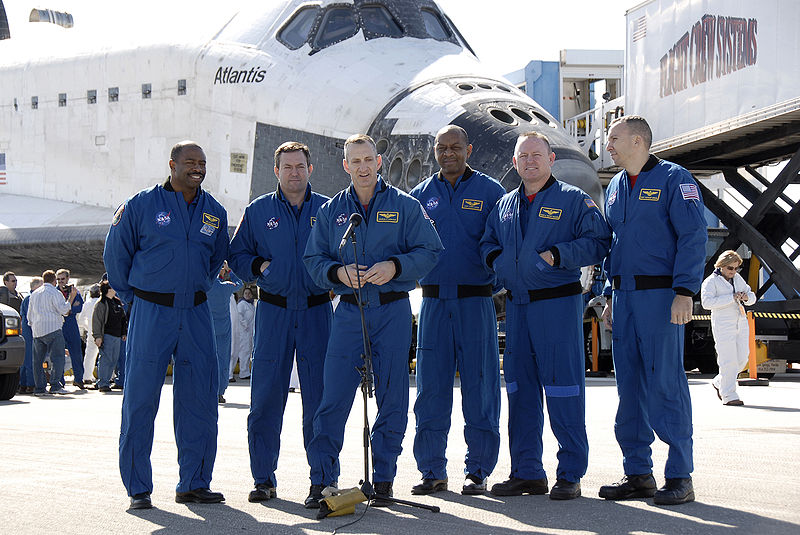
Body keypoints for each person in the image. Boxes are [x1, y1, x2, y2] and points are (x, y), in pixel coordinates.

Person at [303, 134, 443, 507]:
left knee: (392, 397)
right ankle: (322, 481)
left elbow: (431, 249)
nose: (363, 167)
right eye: (355, 161)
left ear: (378, 162)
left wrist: (396, 266)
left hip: (392, 310)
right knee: (333, 398)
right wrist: (337, 273)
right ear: (345, 165)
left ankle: (383, 479)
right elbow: (313, 259)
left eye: (368, 160)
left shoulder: (405, 206)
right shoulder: (332, 212)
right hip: (349, 312)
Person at [480, 132, 611, 500]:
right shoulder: (505, 205)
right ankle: (527, 472)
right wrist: (497, 261)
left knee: (563, 388)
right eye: (523, 156)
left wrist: (558, 255)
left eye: (536, 155)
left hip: (557, 306)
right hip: (518, 308)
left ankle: (570, 473)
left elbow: (599, 241)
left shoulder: (573, 199)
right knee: (520, 391)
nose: (530, 161)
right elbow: (488, 243)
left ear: (551, 159)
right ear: (514, 162)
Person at [103, 140, 229, 510]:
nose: (197, 168)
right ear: (172, 164)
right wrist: (134, 297)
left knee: (200, 400)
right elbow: (116, 254)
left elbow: (216, 258)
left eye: (202, 162)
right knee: (141, 400)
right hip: (151, 311)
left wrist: (196, 285)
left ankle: (194, 483)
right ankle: (138, 488)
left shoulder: (214, 211)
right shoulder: (140, 205)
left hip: (196, 312)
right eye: (190, 161)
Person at [599, 115, 707, 506]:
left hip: (661, 297)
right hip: (624, 298)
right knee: (629, 388)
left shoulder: (675, 179)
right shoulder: (615, 186)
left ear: (638, 141)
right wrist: (609, 295)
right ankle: (638, 474)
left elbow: (693, 236)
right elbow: (614, 244)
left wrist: (685, 291)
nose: (608, 145)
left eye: (614, 138)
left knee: (665, 384)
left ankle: (679, 475)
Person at [229, 141, 333, 504]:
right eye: (287, 166)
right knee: (265, 399)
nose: (294, 172)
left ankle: (323, 480)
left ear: (310, 169)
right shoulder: (258, 211)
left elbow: (346, 251)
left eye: (300, 166)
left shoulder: (329, 209)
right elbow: (237, 254)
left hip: (318, 312)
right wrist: (260, 267)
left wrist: (332, 277)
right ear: (276, 171)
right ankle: (263, 479)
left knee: (320, 400)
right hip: (274, 312)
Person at [408, 125, 505, 496]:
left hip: (475, 302)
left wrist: (495, 284)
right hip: (433, 303)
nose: (448, 153)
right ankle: (432, 470)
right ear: (434, 150)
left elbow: (503, 244)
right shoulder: (419, 196)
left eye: (455, 147)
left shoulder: (491, 193)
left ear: (469, 149)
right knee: (430, 390)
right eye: (441, 147)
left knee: (481, 388)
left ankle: (477, 470)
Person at [701, 250, 756, 406]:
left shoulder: (738, 279)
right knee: (728, 360)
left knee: (742, 358)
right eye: (730, 268)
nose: (733, 271)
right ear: (721, 266)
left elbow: (752, 296)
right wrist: (731, 298)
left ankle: (720, 381)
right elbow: (707, 303)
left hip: (741, 322)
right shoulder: (710, 282)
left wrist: (746, 297)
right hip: (723, 324)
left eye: (736, 268)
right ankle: (729, 395)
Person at [27, 270, 78, 396]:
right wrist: (71, 298)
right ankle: (55, 385)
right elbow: (64, 310)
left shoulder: (34, 294)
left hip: (37, 331)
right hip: (53, 328)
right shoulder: (55, 293)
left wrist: (34, 326)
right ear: (54, 280)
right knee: (57, 358)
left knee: (37, 361)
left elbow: (29, 316)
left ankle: (40, 388)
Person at [207, 262, 243, 403]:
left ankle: (208, 390)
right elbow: (239, 283)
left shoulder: (206, 287)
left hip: (208, 328)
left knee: (207, 360)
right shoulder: (226, 287)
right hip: (223, 330)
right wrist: (230, 271)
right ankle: (219, 392)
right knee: (222, 361)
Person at [92, 280, 128, 392]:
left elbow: (123, 319)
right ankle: (103, 383)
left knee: (113, 360)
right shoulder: (101, 304)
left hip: (117, 335)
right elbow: (97, 321)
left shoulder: (117, 302)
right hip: (107, 335)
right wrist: (97, 336)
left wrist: (123, 332)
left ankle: (106, 381)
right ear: (108, 290)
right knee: (105, 360)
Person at [56, 269, 86, 389]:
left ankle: (78, 379)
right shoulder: (54, 292)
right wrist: (67, 309)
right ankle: (59, 380)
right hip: (58, 324)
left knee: (76, 352)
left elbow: (78, 307)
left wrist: (68, 310)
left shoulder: (74, 292)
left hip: (71, 324)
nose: (60, 282)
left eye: (62, 279)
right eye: (58, 279)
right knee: (58, 353)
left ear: (68, 279)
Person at [19, 277, 44, 394]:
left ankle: (23, 384)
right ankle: (31, 384)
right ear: (36, 286)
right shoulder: (32, 298)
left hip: (26, 330)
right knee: (31, 358)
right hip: (30, 330)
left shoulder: (27, 298)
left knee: (26, 358)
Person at [78, 284, 102, 384]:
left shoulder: (87, 304)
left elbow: (80, 320)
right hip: (102, 331)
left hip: (91, 332)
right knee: (105, 355)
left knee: (90, 355)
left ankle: (87, 376)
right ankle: (107, 376)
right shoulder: (102, 302)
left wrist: (88, 327)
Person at [231, 286, 255, 381]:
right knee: (243, 352)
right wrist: (245, 324)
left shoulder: (251, 305)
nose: (247, 295)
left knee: (247, 352)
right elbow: (239, 315)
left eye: (249, 293)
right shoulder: (242, 304)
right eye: (246, 293)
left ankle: (245, 372)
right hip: (243, 332)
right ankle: (243, 372)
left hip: (249, 333)